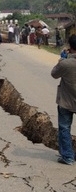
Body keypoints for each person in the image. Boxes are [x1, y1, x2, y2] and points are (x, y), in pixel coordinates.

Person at [51, 34, 76, 165]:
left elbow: (54, 74)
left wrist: (62, 59)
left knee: (65, 128)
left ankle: (68, 156)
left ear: (70, 47)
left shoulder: (66, 63)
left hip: (66, 101)